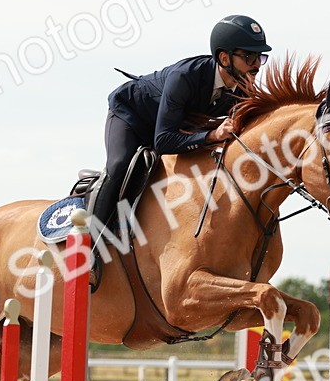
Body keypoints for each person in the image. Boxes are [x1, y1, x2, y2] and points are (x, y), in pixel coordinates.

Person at [91, 14, 271, 245]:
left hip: (171, 126)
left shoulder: (244, 90)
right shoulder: (185, 77)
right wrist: (213, 135)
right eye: (249, 56)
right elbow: (163, 141)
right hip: (131, 115)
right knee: (119, 165)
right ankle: (90, 242)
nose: (256, 65)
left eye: (260, 57)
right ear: (224, 58)